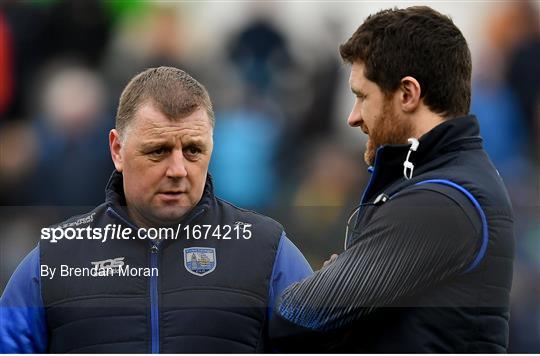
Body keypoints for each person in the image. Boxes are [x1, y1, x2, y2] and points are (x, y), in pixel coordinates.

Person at [0, 67, 312, 353]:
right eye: (158, 151)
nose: (178, 169)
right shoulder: (55, 257)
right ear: (117, 150)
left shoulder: (266, 252)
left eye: (193, 150)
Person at [270, 6, 515, 353]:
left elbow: (297, 316)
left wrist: (330, 283)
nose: (352, 117)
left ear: (407, 94)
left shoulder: (440, 202)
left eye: (361, 96)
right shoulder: (442, 183)